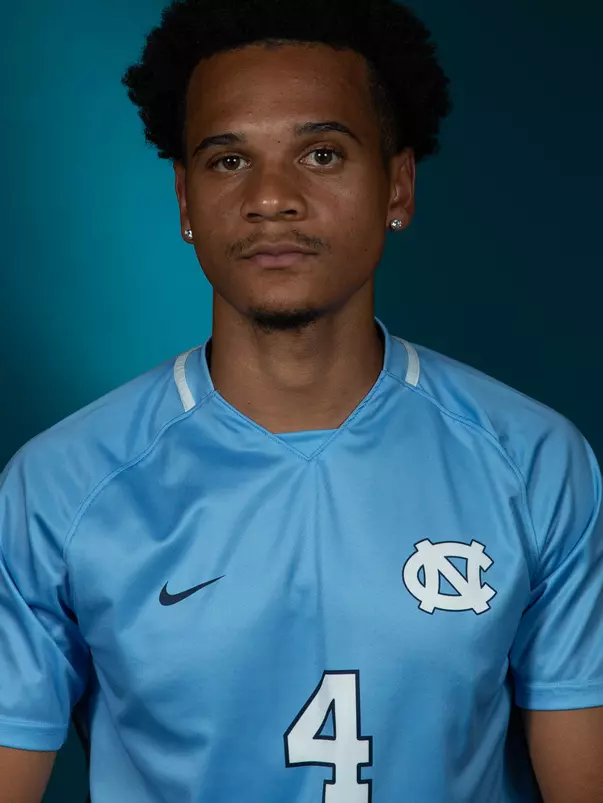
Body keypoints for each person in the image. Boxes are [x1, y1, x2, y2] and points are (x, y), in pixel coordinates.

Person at [1, 0, 602, 800]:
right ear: (184, 200)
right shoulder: (60, 485)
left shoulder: (532, 462)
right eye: (228, 161)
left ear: (397, 185)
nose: (271, 197)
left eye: (320, 154)